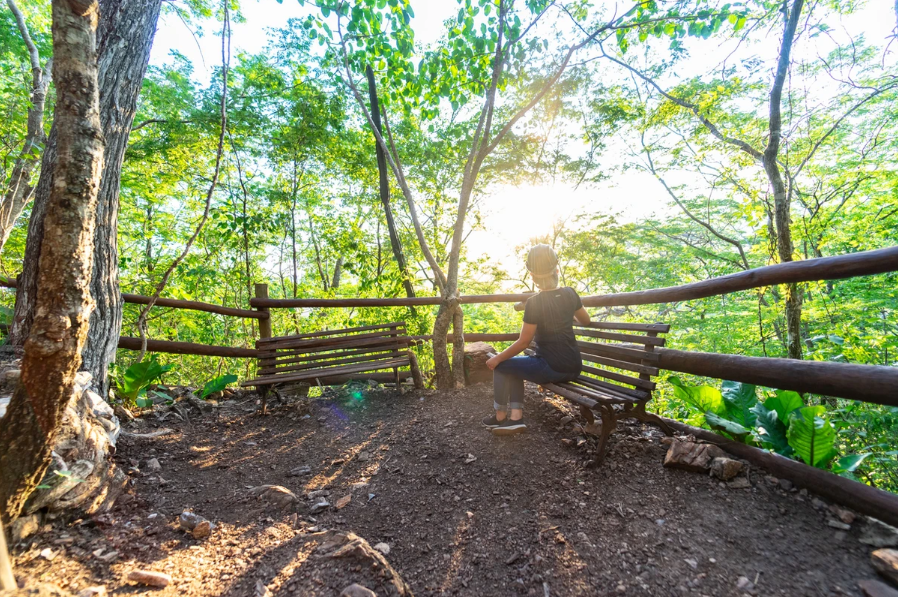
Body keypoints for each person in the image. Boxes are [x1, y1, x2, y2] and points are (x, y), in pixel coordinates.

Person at [482, 244, 591, 435]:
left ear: (532, 276)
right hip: (574, 366)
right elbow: (586, 320)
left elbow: (523, 342)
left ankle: (500, 417)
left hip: (550, 366)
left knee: (502, 366)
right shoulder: (570, 293)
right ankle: (515, 419)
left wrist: (497, 358)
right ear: (557, 270)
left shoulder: (534, 303)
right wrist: (566, 315)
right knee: (514, 367)